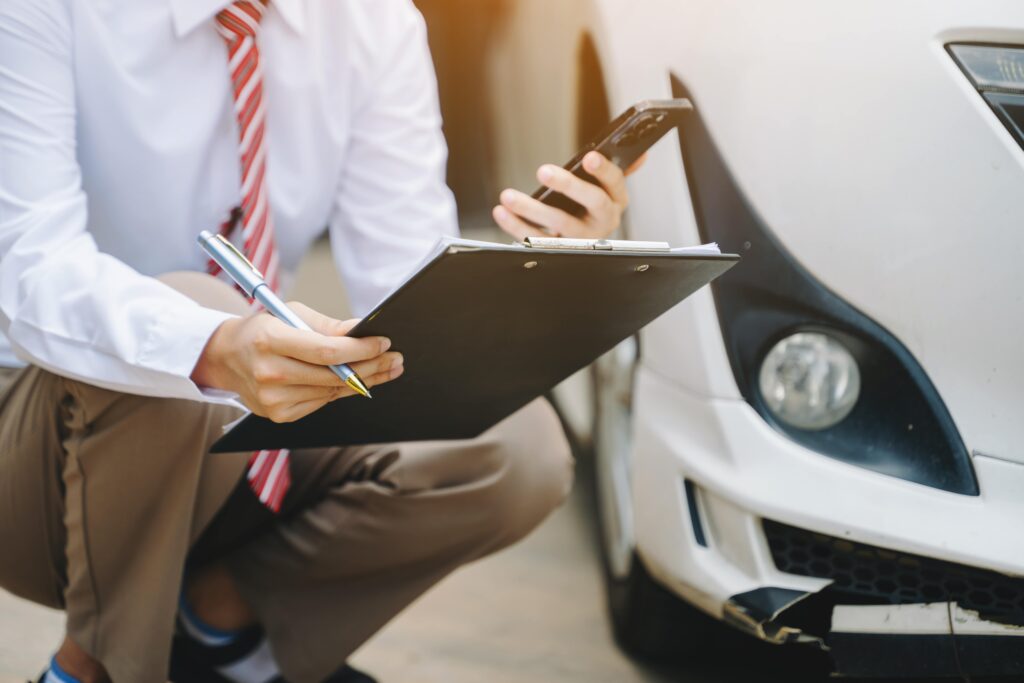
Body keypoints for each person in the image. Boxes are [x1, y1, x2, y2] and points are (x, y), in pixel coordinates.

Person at [0, 1, 639, 682]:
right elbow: (30, 269)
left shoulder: (375, 21)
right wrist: (210, 343)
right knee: (191, 309)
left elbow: (408, 297)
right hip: (45, 456)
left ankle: (218, 626)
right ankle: (91, 668)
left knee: (517, 449)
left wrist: (535, 272)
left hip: (246, 444)